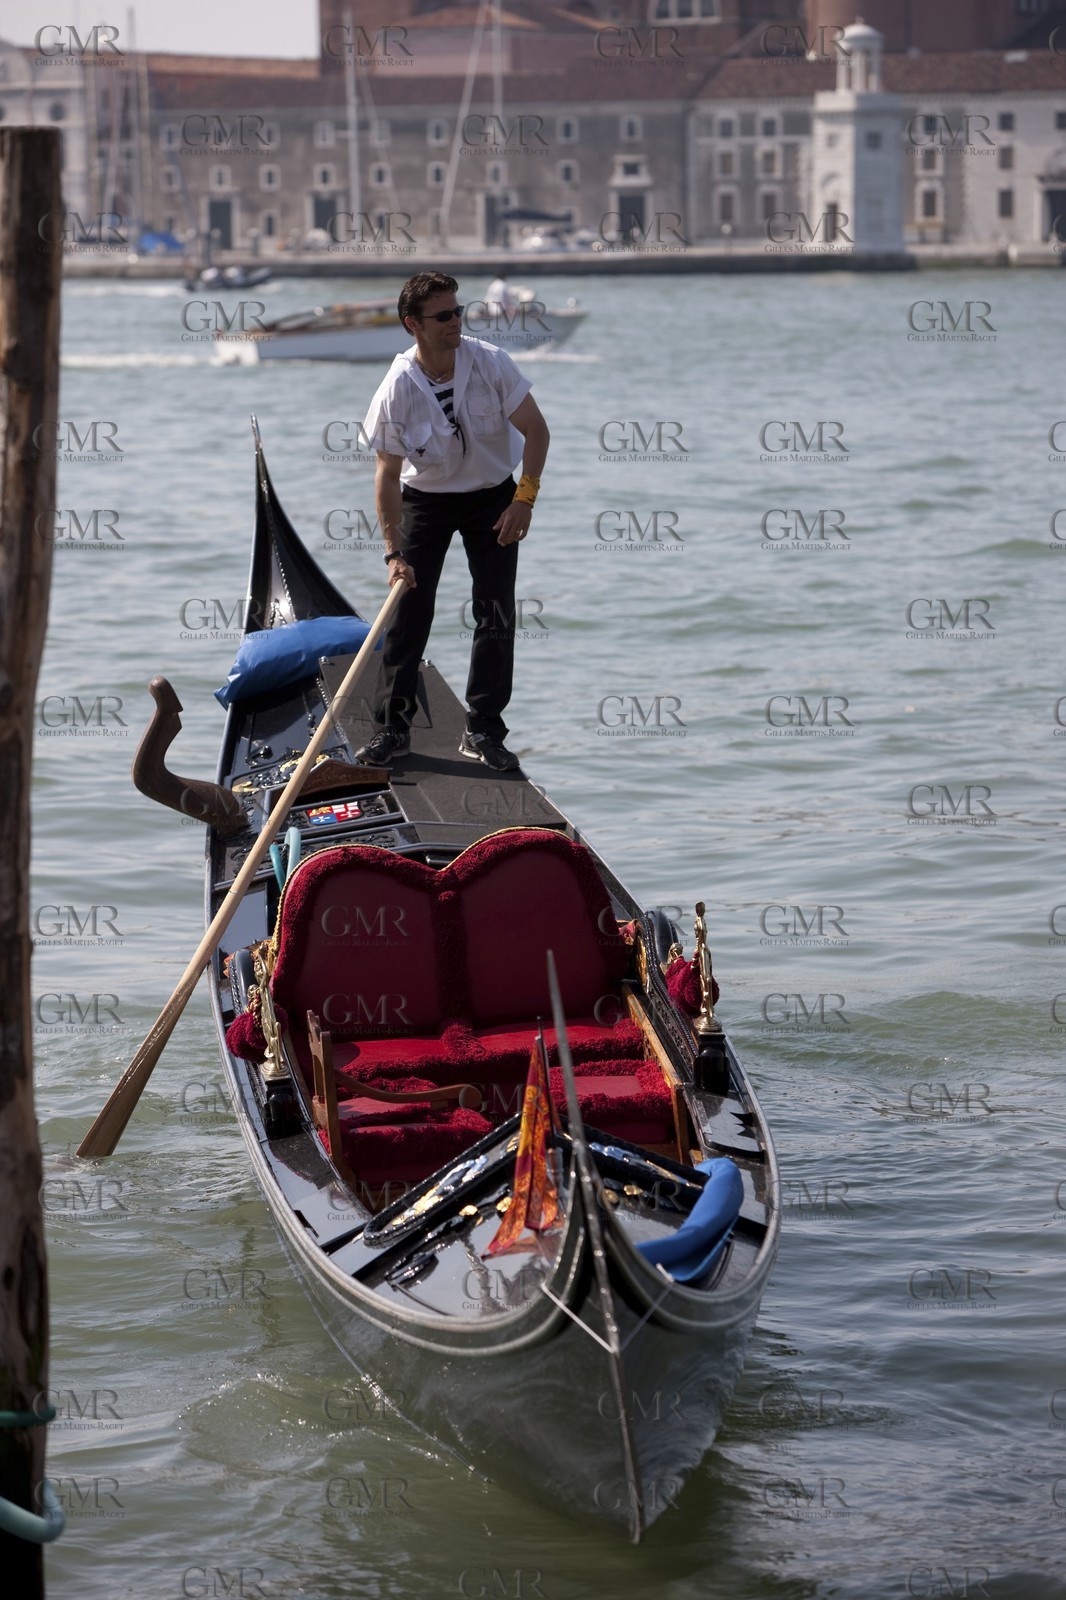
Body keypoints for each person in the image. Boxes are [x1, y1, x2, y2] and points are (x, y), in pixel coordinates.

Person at [355, 270, 550, 772]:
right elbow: (387, 475)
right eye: (443, 316)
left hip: (495, 499)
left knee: (496, 614)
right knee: (409, 615)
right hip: (427, 501)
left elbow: (537, 432)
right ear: (412, 325)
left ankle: (484, 727)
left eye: (457, 311)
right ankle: (391, 730)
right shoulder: (396, 388)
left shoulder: (490, 362)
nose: (455, 322)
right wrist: (393, 554)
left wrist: (523, 500)